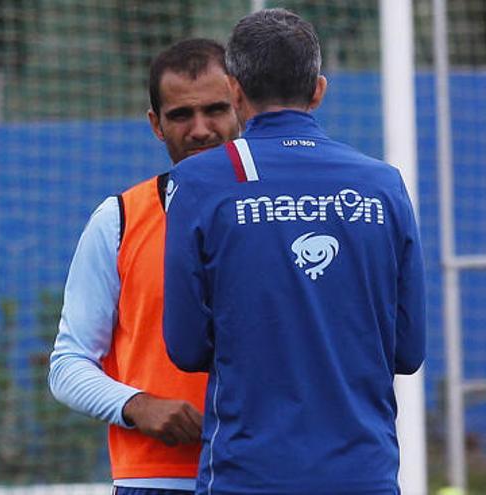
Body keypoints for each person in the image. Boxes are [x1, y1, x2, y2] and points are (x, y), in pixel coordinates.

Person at [162, 9, 426, 495]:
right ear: (319, 90)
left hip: (247, 475)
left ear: (235, 92)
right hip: (363, 475)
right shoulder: (382, 185)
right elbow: (408, 351)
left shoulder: (198, 183)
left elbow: (185, 346)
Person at [48, 38, 240, 494]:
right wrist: (138, 404)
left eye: (216, 109)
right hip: (157, 479)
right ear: (155, 124)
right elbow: (68, 364)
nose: (200, 129)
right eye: (180, 115)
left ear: (242, 107)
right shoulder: (119, 219)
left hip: (265, 474)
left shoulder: (281, 213)